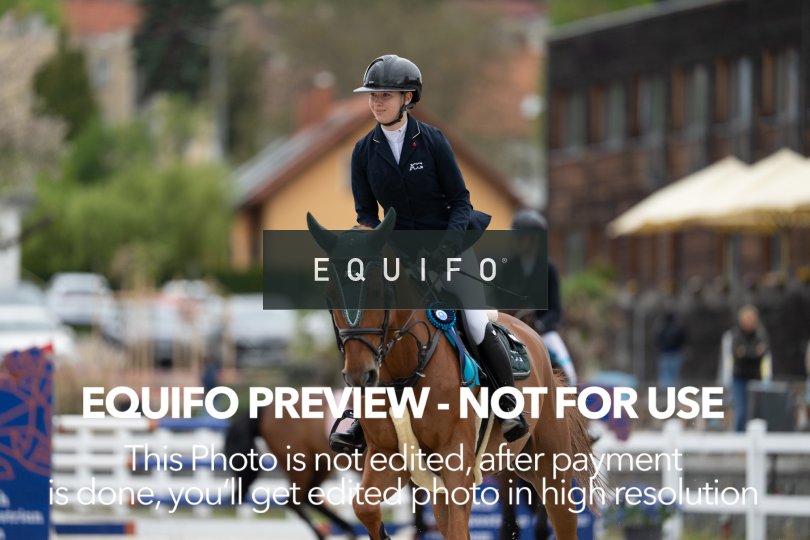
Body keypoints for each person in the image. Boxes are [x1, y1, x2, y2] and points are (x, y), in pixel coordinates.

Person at [328, 54, 528, 454]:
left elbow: (460, 202)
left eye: (385, 95)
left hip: (449, 246)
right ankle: (356, 415)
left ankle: (507, 404)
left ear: (408, 98)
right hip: (398, 258)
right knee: (364, 320)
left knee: (475, 322)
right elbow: (366, 215)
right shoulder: (363, 152)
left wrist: (444, 250)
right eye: (372, 96)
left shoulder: (432, 141)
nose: (376, 102)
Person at [505, 209, 577, 385]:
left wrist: (539, 325)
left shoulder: (549, 268)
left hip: (543, 331)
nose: (518, 241)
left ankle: (571, 393)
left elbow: (556, 311)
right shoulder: (508, 267)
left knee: (569, 374)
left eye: (522, 237)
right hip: (513, 329)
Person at [726, 305, 771, 432]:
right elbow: (737, 353)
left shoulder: (761, 333)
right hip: (739, 377)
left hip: (756, 377)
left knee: (757, 412)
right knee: (741, 411)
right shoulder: (736, 334)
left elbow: (763, 352)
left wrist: (746, 352)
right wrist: (754, 352)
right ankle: (739, 439)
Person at [654, 305, 686, 389]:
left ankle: (666, 391)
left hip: (665, 352)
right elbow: (682, 338)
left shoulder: (661, 327)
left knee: (665, 375)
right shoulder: (677, 327)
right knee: (674, 374)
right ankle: (673, 390)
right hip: (675, 352)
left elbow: (657, 338)